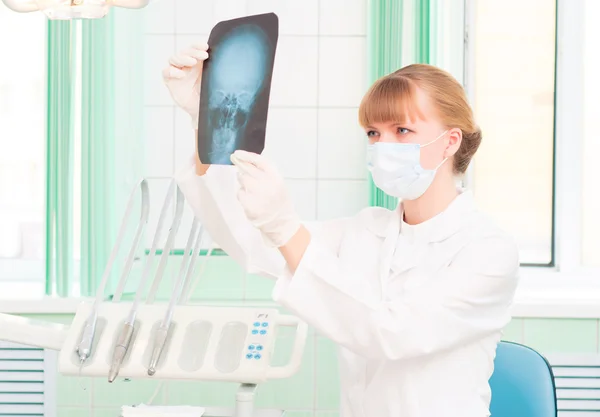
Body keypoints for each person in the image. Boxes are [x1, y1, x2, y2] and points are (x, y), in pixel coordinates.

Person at [163, 42, 520, 417]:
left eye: (402, 130)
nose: (383, 146)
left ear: (450, 141)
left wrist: (286, 227)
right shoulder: (365, 231)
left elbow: (391, 332)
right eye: (373, 133)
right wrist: (209, 121)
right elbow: (255, 243)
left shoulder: (487, 250)